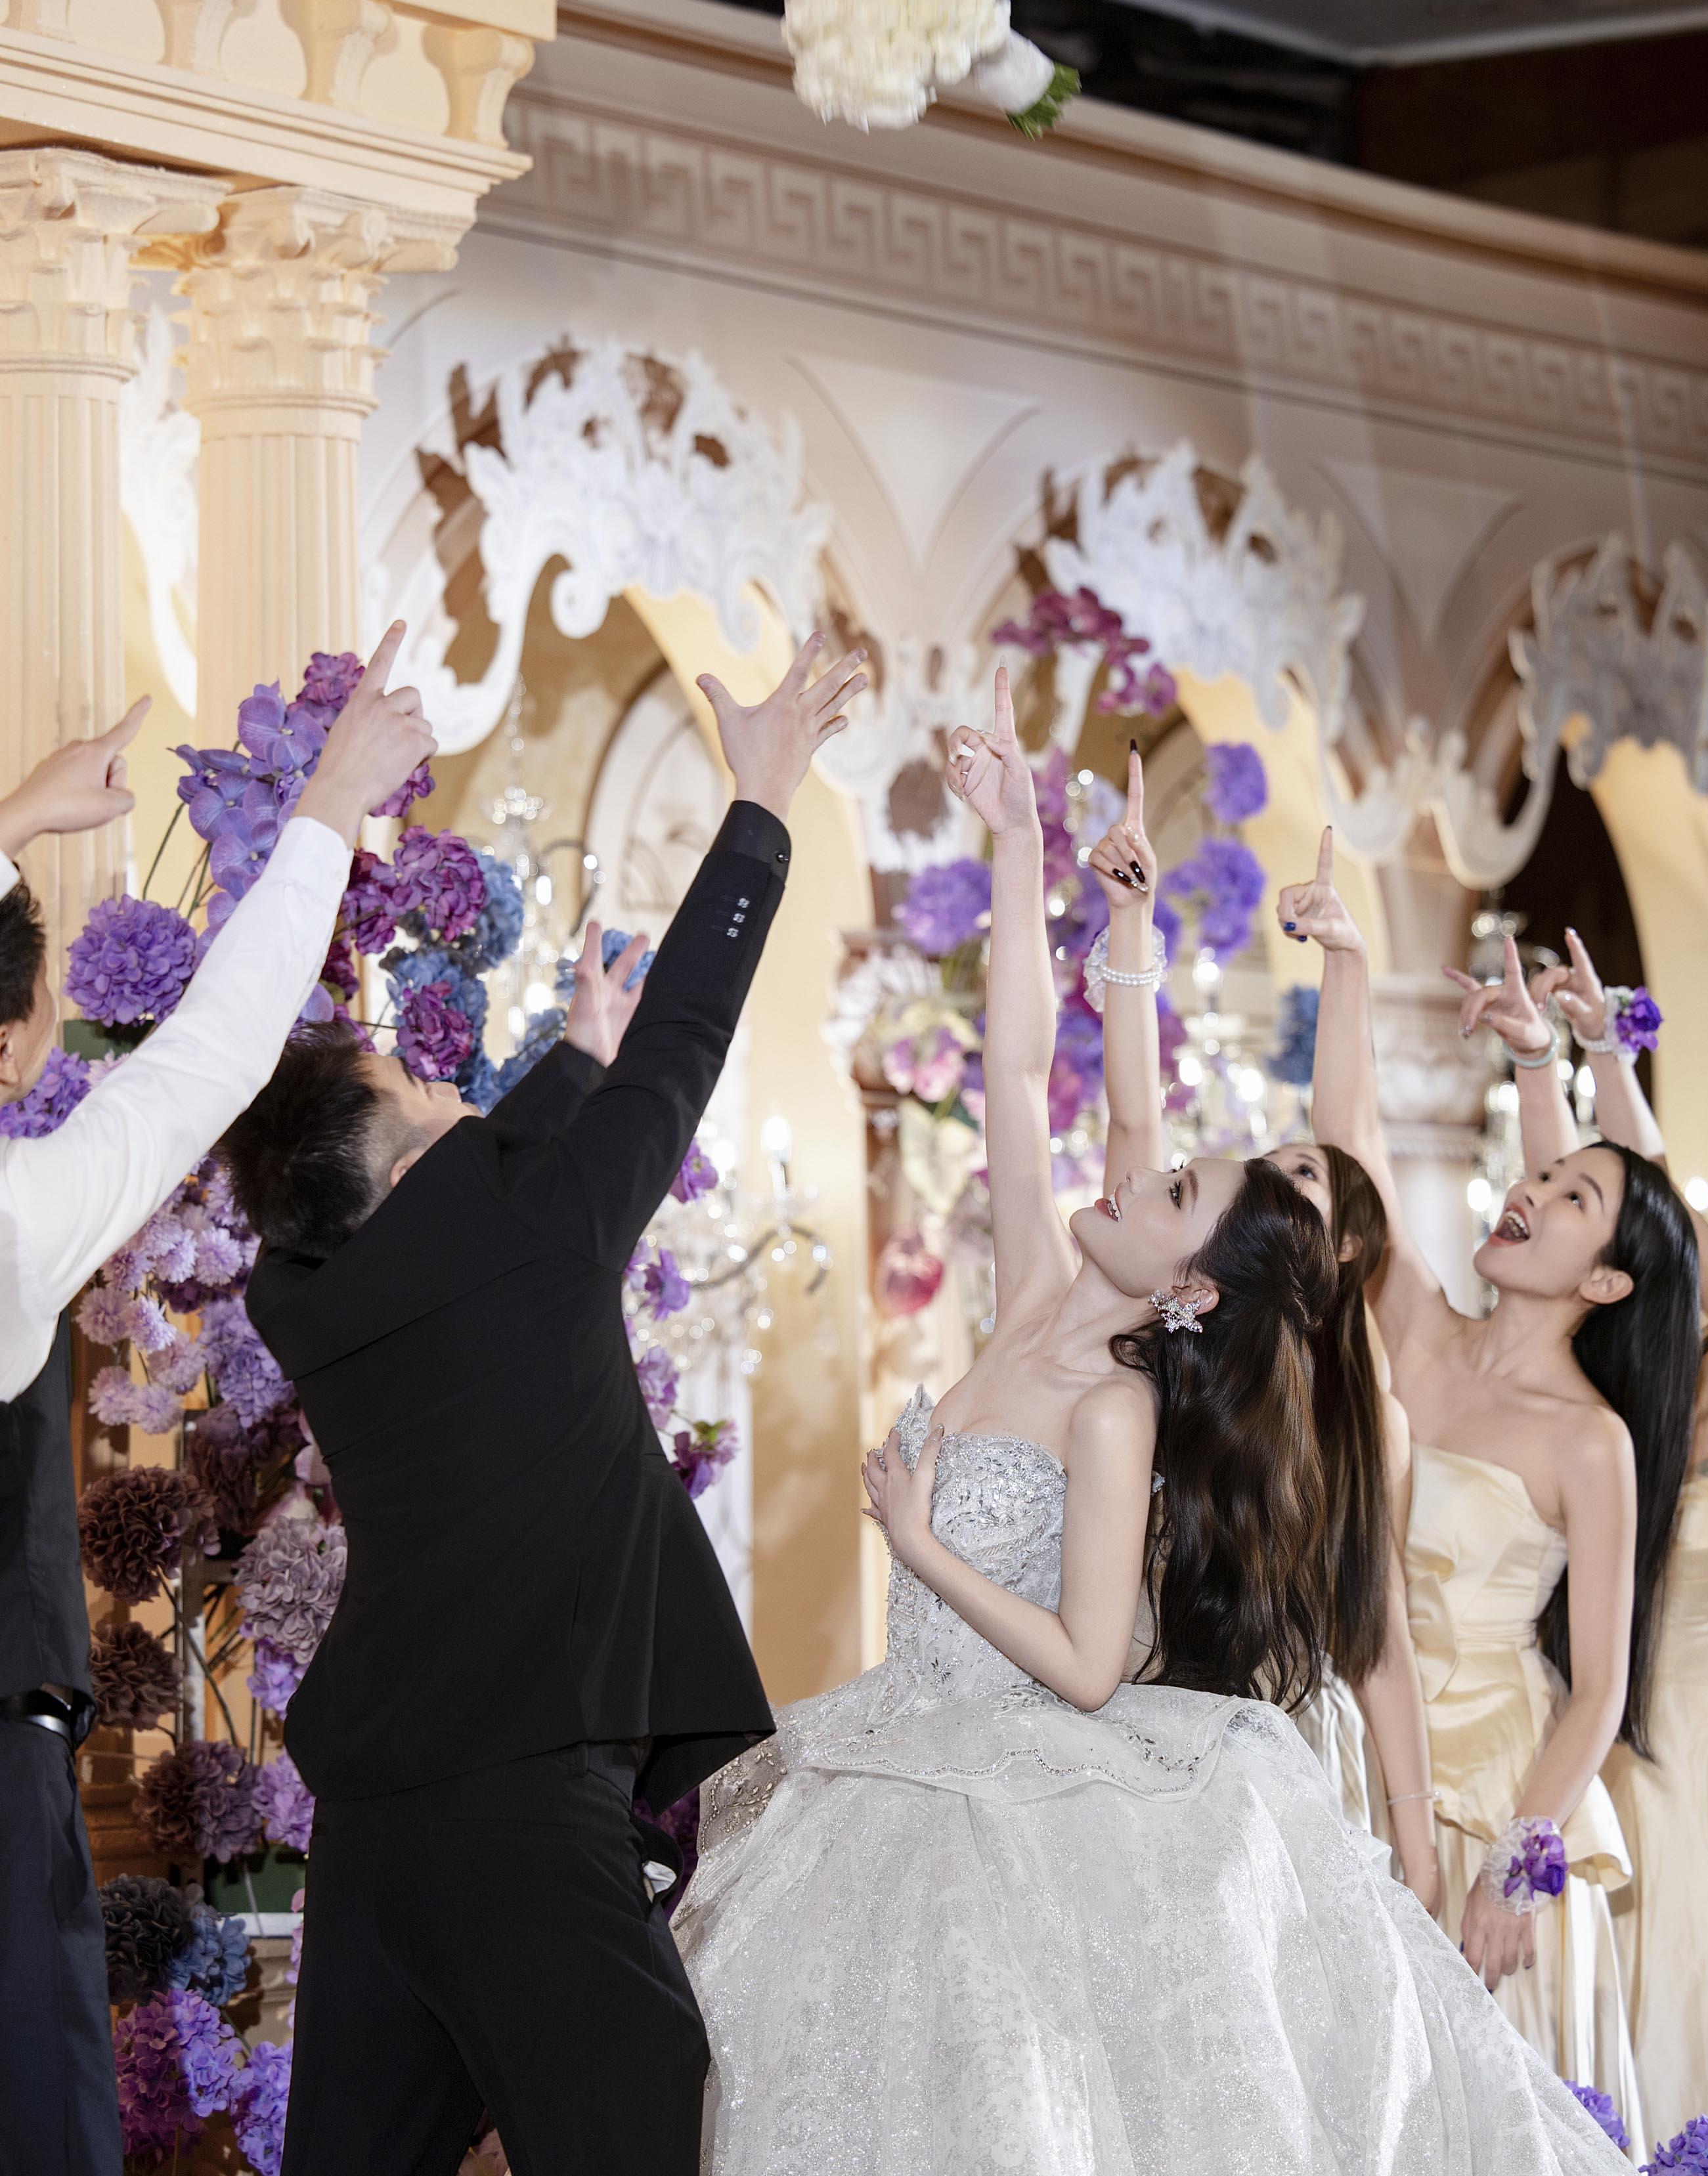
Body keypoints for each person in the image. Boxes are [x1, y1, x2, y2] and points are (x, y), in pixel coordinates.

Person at [672, 672, 1623, 2176]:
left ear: (1187, 1282)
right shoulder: (1033, 1294)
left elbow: (1089, 1663)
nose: (1130, 1170)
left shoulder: (1117, 1407)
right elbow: (1011, 1064)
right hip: (890, 1748)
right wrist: (1017, 841)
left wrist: (921, 1539)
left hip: (1007, 1795)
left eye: (1170, 1188)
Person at [220, 634, 866, 2176]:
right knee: (642, 2115)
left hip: (380, 1813)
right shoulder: (522, 1227)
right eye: (410, 1082)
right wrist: (760, 800)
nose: (435, 1076)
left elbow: (453, 1211)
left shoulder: (301, 1298)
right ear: (402, 1171)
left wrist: (571, 1063)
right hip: (521, 1796)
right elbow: (686, 1043)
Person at [0, 633, 434, 2176]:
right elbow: (214, 1050)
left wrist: (10, 822)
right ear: (15, 1034)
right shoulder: (17, 1212)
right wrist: (327, 802)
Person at [1289, 832, 1699, 2154]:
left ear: (1604, 1282)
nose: (1530, 1186)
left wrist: (1522, 1866)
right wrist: (1348, 964)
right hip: (1358, 1752)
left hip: (1499, 1798)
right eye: (1540, 1173)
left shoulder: (1592, 1440)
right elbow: (1346, 1153)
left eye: (1571, 1196)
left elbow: (1596, 1690)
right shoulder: (1417, 1329)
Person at [1089, 752, 1437, 1909]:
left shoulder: (1357, 1407)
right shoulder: (1181, 1318)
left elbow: (1380, 1634)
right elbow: (1134, 1124)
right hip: (1137, 1716)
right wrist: (1131, 924)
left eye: (1306, 1186)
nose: (1282, 1179)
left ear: (1337, 1255)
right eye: (1272, 1171)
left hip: (1277, 1760)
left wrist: (1419, 1846)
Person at [1516, 926, 1708, 2139]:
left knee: (1675, 2066)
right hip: (1578, 1721)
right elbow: (1626, 1211)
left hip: (1699, 1775)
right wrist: (1593, 1051)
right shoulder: (1700, 1326)